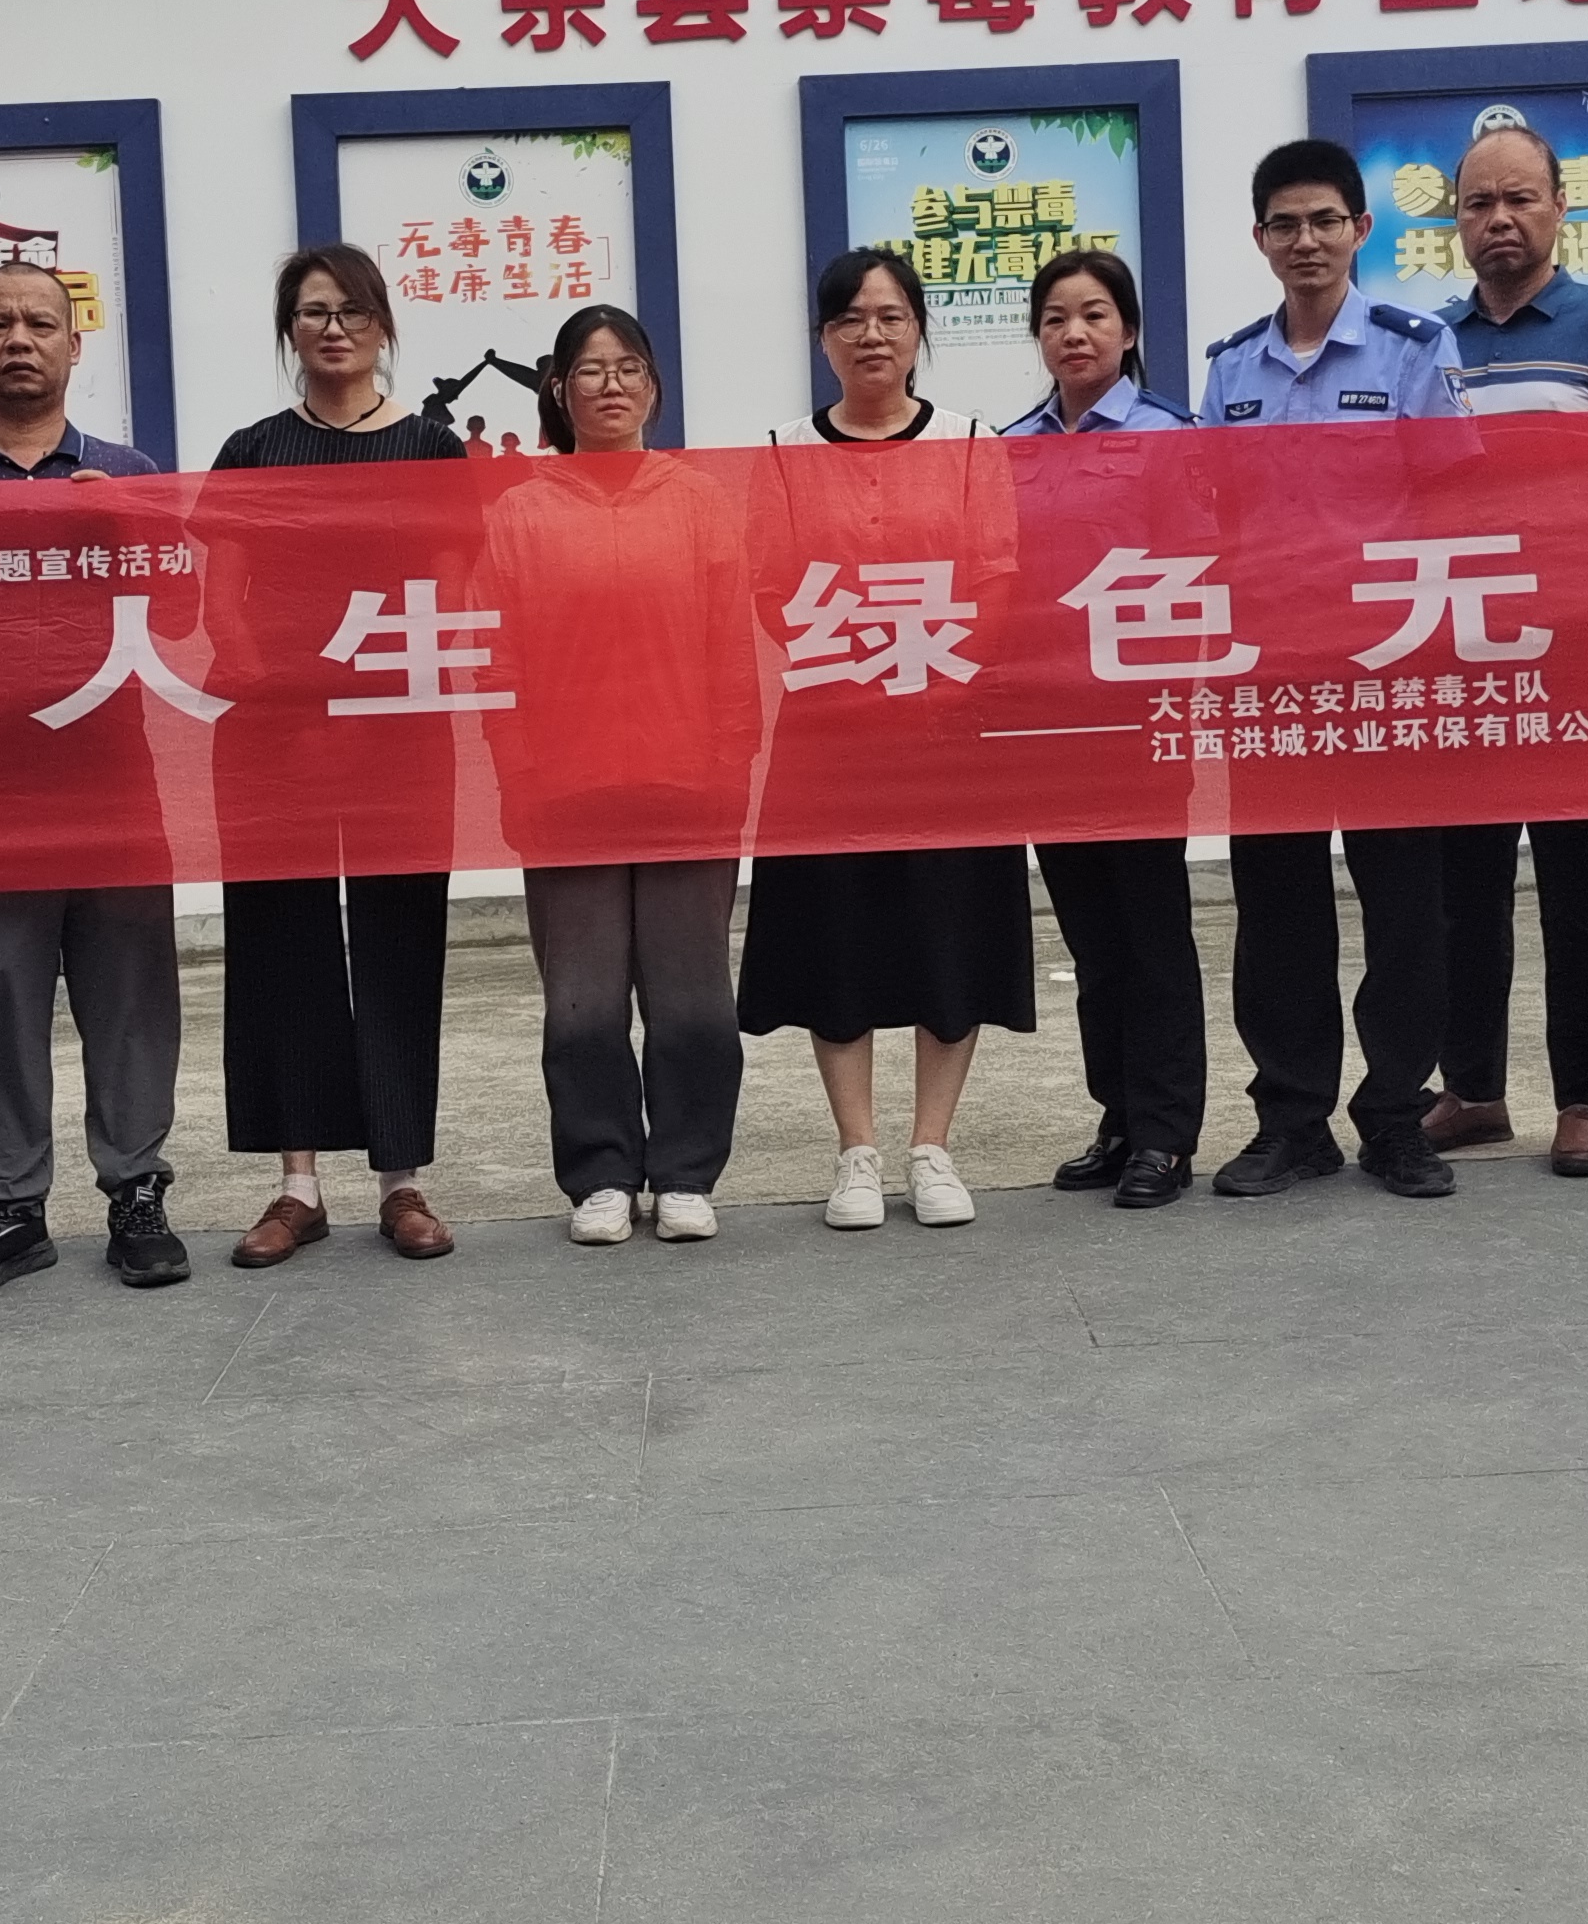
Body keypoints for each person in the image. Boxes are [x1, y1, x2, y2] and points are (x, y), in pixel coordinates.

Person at [0, 263, 195, 1297]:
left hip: (112, 781)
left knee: (131, 994)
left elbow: (183, 621)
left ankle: (136, 1191)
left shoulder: (127, 473)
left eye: (38, 323)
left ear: (74, 346)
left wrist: (133, 530)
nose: (18, 339)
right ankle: (11, 1206)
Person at [1195, 137, 1471, 1201]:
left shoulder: (1413, 348)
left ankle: (1396, 1117)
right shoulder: (1230, 368)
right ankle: (1292, 1119)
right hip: (1270, 672)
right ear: (1259, 239)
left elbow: (1454, 504)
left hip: (1386, 669)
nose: (1304, 241)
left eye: (1323, 221)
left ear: (1361, 229)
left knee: (1406, 905)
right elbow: (1211, 515)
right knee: (1276, 904)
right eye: (1284, 224)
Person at [740, 249, 1032, 1230]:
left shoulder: (970, 443)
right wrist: (857, 675)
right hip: (831, 733)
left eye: (891, 316)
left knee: (950, 932)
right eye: (850, 319)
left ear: (917, 330)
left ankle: (931, 1147)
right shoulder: (782, 452)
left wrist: (934, 681)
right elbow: (772, 590)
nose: (871, 335)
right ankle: (856, 1151)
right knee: (837, 938)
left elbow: (995, 579)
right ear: (823, 338)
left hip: (946, 729)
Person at [1421, 122, 1588, 1182]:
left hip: (1577, 652)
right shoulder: (1427, 341)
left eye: (1520, 199)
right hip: (1461, 650)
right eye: (1478, 203)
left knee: (1578, 887)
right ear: (1454, 221)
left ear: (1561, 209)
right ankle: (1475, 1089)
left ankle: (1587, 1099)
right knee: (1464, 890)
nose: (1499, 220)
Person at [210, 246, 469, 1269]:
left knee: (401, 934)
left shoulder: (431, 446)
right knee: (282, 942)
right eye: (314, 312)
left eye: (353, 310)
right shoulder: (251, 450)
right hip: (273, 734)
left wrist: (387, 688)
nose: (333, 328)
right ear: (290, 330)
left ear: (382, 325)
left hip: (399, 730)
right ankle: (298, 1184)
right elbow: (220, 595)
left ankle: (401, 1177)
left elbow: (450, 586)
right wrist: (273, 684)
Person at [485, 304, 751, 1245]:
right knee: (582, 1004)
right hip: (567, 793)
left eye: (629, 367)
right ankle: (599, 1174)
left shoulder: (698, 500)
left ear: (653, 388)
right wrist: (517, 777)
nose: (611, 385)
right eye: (591, 370)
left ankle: (684, 1172)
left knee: (693, 1000)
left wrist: (731, 765)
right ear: (559, 389)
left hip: (687, 786)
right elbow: (499, 662)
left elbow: (731, 646)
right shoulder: (519, 512)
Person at [1003, 248, 1208, 1208]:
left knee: (1151, 929)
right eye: (1055, 318)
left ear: (1127, 330)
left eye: (1092, 315)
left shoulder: (1172, 435)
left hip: (1139, 720)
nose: (1073, 334)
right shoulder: (1011, 443)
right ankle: (1119, 1117)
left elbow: (1201, 573)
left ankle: (1167, 1134)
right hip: (1051, 726)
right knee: (1090, 937)